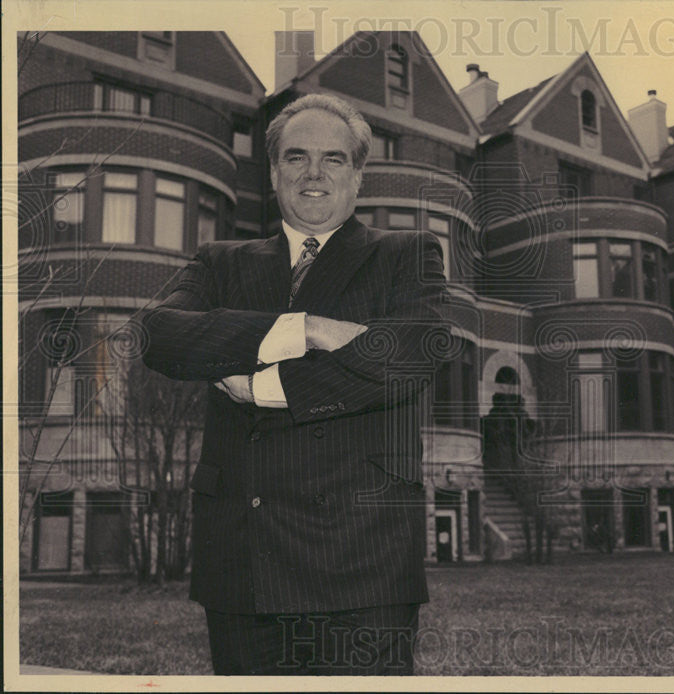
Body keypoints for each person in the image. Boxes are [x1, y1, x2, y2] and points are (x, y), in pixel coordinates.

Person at [141, 93, 446, 675]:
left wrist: (262, 387)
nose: (313, 173)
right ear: (274, 170)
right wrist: (302, 329)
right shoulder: (221, 262)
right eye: (296, 157)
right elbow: (155, 334)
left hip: (361, 565)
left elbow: (410, 355)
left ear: (358, 175)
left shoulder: (405, 254)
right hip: (242, 565)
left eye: (333, 159)